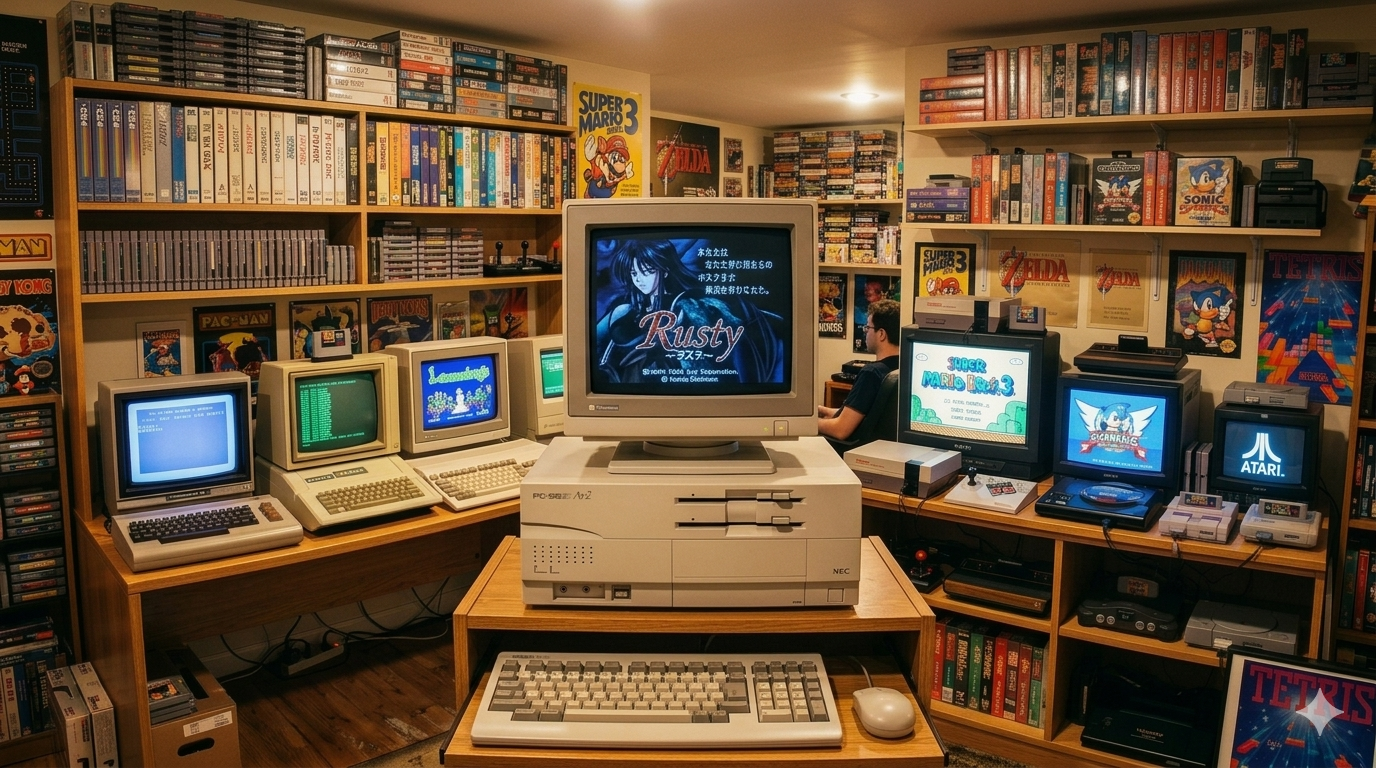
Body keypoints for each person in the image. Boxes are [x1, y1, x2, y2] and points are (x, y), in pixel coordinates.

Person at [818, 298, 900, 441]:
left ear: (881, 334)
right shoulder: (900, 369)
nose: (865, 332)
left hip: (851, 452)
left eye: (868, 328)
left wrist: (806, 423)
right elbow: (855, 416)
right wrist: (821, 411)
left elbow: (840, 429)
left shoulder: (871, 373)